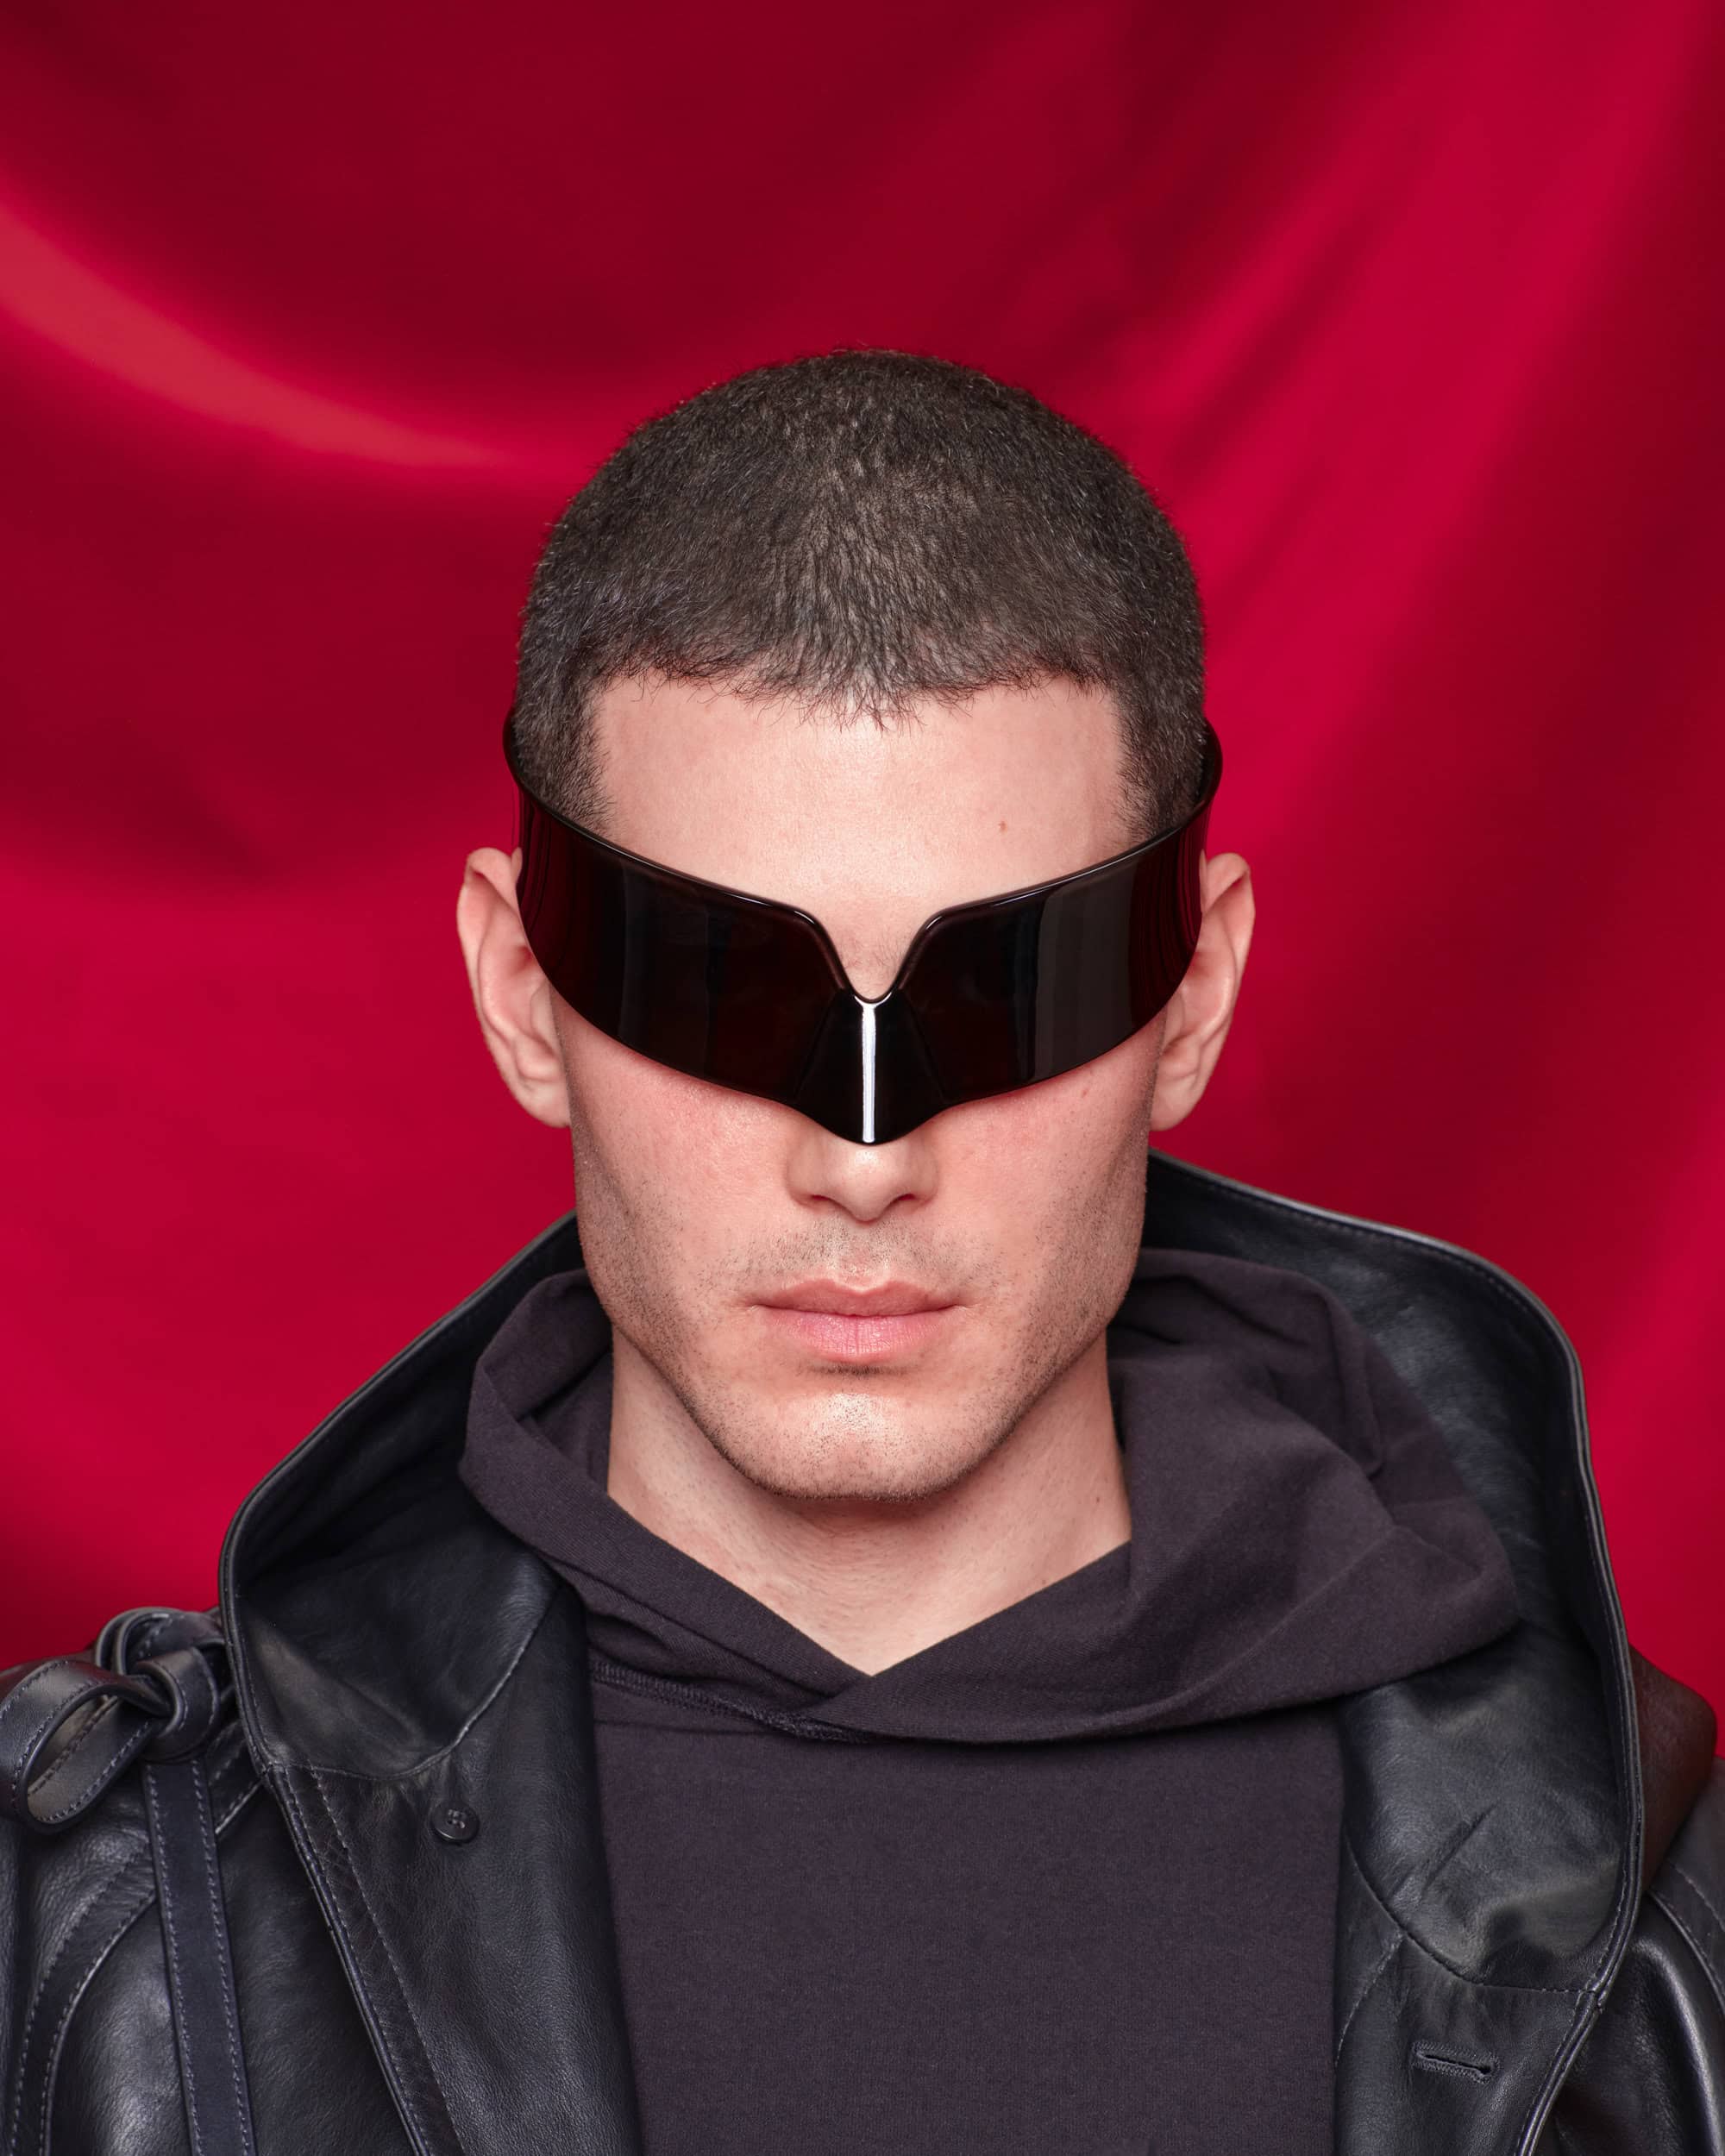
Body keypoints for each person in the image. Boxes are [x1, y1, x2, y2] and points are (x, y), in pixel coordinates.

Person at [2, 352, 1719, 2156]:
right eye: (720, 987)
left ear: (1195, 991)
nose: (865, 1161)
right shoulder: (125, 1920)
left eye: (1008, 988)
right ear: (521, 988)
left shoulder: (1650, 1943)